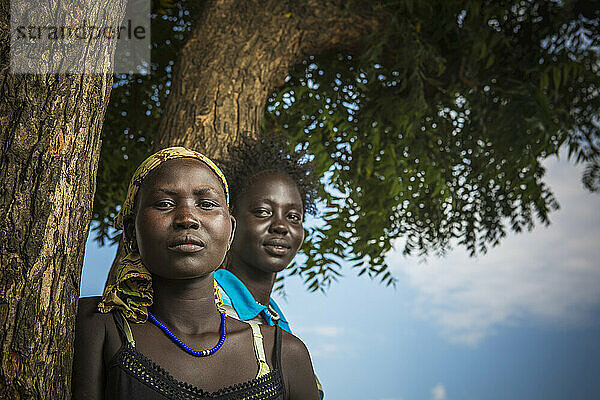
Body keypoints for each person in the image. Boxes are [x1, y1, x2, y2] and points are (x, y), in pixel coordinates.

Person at [72, 147, 319, 400]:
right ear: (131, 229)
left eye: (207, 204)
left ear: (230, 230)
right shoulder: (97, 326)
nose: (188, 218)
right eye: (165, 204)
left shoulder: (286, 353)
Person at [215, 136, 324, 398]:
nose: (281, 226)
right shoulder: (204, 298)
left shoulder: (277, 320)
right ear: (231, 222)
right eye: (263, 211)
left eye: (294, 217)